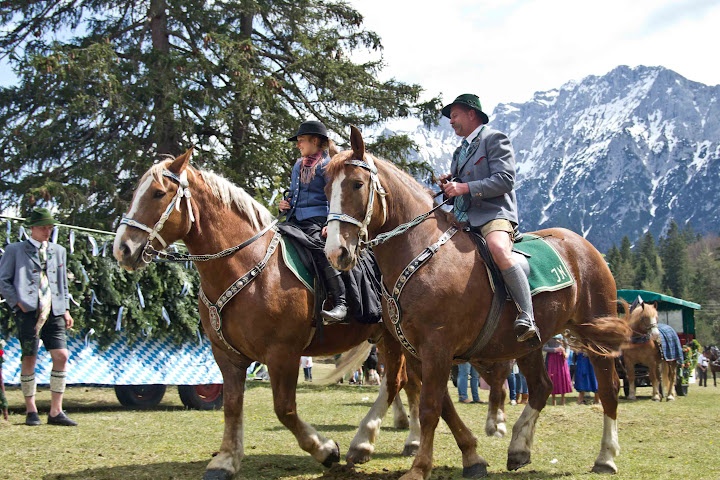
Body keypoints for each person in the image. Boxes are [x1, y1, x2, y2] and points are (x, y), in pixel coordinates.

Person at [438, 94, 539, 343]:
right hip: (463, 219)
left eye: (454, 115)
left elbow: (506, 180)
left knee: (497, 249)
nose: (451, 121)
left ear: (472, 114)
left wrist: (465, 188)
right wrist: (449, 189)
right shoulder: (459, 151)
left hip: (494, 215)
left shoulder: (494, 138)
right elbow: (461, 192)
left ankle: (527, 315)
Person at [0, 208, 77, 426]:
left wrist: (66, 309)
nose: (47, 231)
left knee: (61, 355)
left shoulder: (58, 250)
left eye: (50, 227)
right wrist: (18, 303)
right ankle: (31, 410)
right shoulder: (15, 250)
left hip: (54, 310)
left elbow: (62, 282)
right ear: (31, 228)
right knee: (29, 357)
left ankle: (56, 411)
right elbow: (3, 280)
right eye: (43, 227)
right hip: (28, 312)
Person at [279, 120, 348, 325]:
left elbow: (335, 197)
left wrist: (330, 223)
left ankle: (341, 303)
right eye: (298, 141)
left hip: (318, 221)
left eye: (301, 141)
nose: (298, 144)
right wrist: (286, 204)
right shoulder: (298, 165)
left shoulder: (328, 165)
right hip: (293, 219)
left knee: (320, 251)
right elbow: (294, 193)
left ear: (315, 141)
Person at [543, 334, 573, 406]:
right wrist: (555, 350)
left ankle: (563, 400)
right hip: (552, 358)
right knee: (553, 378)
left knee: (563, 377)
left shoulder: (563, 334)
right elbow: (544, 348)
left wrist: (567, 354)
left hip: (561, 358)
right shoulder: (549, 334)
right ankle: (553, 401)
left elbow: (567, 346)